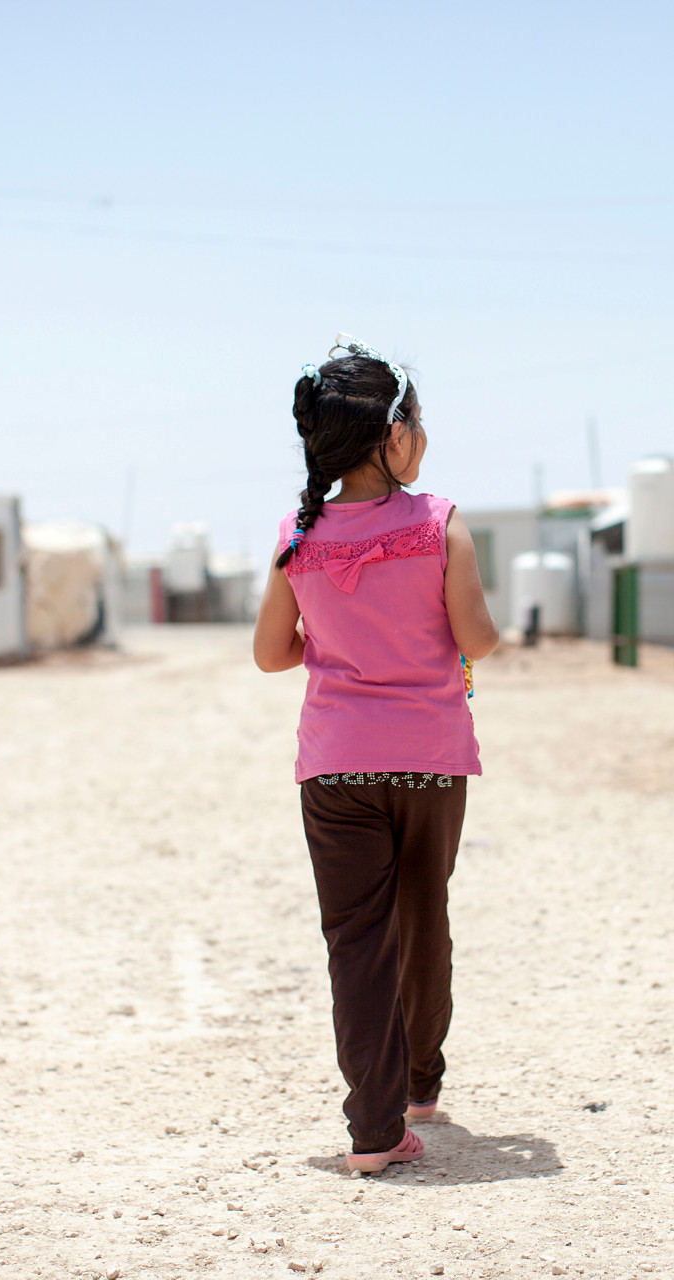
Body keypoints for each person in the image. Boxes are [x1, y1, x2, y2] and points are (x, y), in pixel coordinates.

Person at [252, 334, 501, 1174]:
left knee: (356, 940)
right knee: (422, 916)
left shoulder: (298, 532)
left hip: (334, 765)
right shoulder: (439, 523)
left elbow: (270, 652)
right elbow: (479, 639)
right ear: (393, 438)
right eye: (417, 422)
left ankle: (373, 1131)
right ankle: (422, 1081)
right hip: (429, 760)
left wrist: (336, 644)